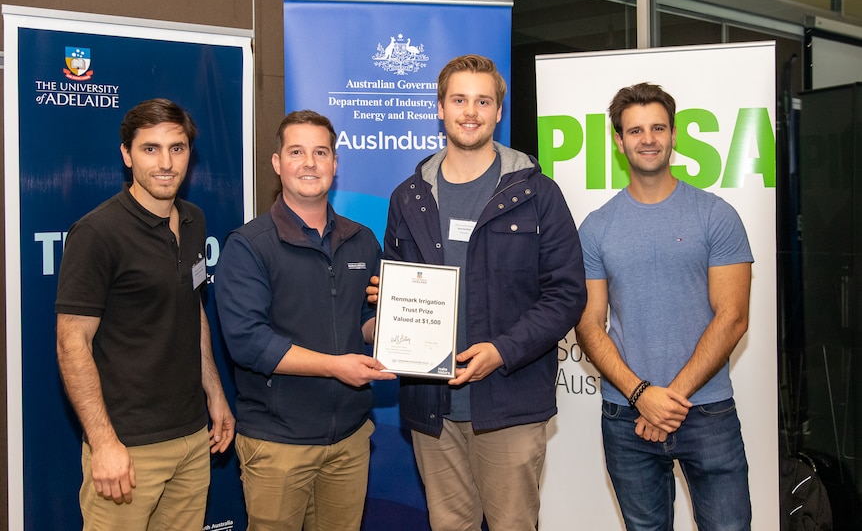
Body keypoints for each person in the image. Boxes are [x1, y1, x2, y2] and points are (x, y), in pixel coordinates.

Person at [368, 54, 587, 531]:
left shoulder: (537, 193)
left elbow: (566, 294)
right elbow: (398, 281)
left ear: (498, 111)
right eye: (459, 100)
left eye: (482, 101)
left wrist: (501, 351)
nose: (471, 111)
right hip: (433, 407)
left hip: (508, 401)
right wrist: (388, 302)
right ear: (440, 109)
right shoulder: (409, 196)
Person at [575, 82, 754, 530]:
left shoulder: (716, 215)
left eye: (658, 128)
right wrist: (642, 396)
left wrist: (670, 399)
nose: (648, 139)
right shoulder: (596, 228)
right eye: (635, 130)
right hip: (625, 415)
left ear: (675, 134)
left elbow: (733, 317)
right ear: (619, 141)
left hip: (707, 412)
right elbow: (589, 325)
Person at [55, 98, 235, 531]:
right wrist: (103, 443)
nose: (166, 163)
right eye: (150, 149)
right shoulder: (97, 233)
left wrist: (213, 389)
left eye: (177, 148)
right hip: (128, 447)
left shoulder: (193, 220)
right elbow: (71, 341)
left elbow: (192, 307)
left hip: (193, 440)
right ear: (126, 154)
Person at [214, 110, 396, 531]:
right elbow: (247, 342)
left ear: (335, 163)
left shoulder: (362, 239)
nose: (310, 163)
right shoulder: (249, 246)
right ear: (277, 163)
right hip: (278, 444)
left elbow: (366, 322)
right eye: (296, 152)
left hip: (349, 440)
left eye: (320, 152)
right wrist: (336, 366)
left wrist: (392, 320)